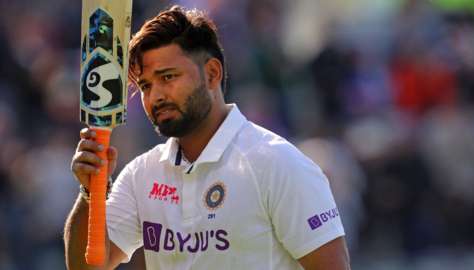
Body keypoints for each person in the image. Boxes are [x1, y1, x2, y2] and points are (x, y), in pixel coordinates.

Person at [64, 5, 350, 270]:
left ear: (212, 74)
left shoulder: (278, 163)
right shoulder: (141, 175)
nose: (156, 96)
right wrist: (90, 193)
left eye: (168, 77)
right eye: (146, 86)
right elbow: (88, 267)